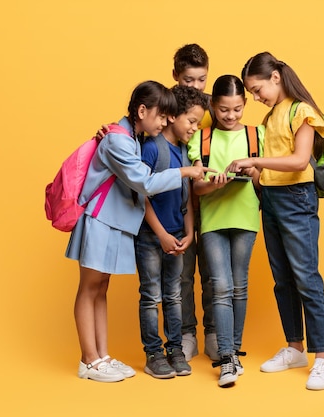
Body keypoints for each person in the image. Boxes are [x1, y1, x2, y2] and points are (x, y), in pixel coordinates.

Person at [66, 80, 212, 383]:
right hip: (98, 221)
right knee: (89, 288)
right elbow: (144, 182)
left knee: (100, 290)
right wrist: (186, 171)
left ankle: (101, 356)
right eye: (160, 116)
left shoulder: (129, 137)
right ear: (142, 110)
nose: (164, 122)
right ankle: (89, 360)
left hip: (112, 223)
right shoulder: (119, 141)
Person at [225, 52, 324, 390]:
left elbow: (301, 160)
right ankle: (295, 347)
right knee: (283, 279)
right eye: (253, 94)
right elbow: (271, 168)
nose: (257, 98)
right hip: (271, 200)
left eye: (258, 90)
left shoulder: (301, 111)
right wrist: (249, 170)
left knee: (306, 276)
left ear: (275, 77)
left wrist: (254, 159)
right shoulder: (273, 115)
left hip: (297, 199)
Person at [188, 75, 264, 387]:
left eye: (236, 109)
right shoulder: (202, 137)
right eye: (223, 110)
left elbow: (264, 183)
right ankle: (227, 356)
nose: (230, 116)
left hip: (245, 218)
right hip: (213, 220)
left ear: (244, 104)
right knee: (220, 285)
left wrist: (253, 170)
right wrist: (213, 183)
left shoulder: (256, 134)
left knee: (239, 286)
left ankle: (233, 350)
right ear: (212, 107)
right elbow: (197, 187)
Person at [135, 86, 210, 379]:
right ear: (171, 116)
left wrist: (189, 232)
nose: (194, 128)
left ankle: (175, 348)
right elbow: (141, 195)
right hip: (152, 237)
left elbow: (186, 198)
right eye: (191, 121)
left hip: (179, 235)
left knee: (174, 295)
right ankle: (153, 352)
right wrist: (162, 234)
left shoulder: (183, 151)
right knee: (151, 295)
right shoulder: (152, 148)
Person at [171, 43, 218, 361]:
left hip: (213, 200)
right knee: (182, 274)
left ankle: (215, 333)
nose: (196, 87)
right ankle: (187, 334)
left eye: (202, 79)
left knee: (215, 272)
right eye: (189, 80)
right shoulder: (165, 105)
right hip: (177, 203)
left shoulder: (216, 108)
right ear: (175, 76)